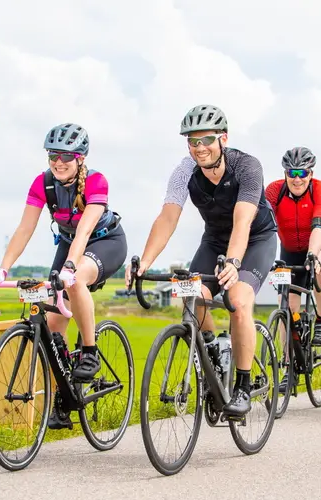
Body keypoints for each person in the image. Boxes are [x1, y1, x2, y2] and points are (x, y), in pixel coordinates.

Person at [125, 104, 278, 418]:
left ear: (223, 137)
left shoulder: (247, 167)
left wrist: (234, 263)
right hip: (214, 240)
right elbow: (168, 217)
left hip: (254, 238)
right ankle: (213, 351)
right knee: (190, 295)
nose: (200, 148)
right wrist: (144, 262)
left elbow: (243, 220)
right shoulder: (184, 171)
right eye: (192, 142)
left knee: (237, 299)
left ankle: (243, 386)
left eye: (206, 139)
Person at [0, 123, 127, 429]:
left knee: (74, 284)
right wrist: (3, 269)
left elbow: (86, 229)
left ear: (80, 158)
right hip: (67, 244)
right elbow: (25, 229)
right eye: (53, 155)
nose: (58, 161)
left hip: (104, 242)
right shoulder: (43, 183)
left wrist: (70, 269)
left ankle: (89, 352)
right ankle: (66, 395)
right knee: (53, 325)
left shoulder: (96, 181)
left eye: (66, 155)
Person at [265, 146, 321, 394]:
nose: (297, 178)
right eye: (291, 172)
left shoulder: (320, 189)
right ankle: (289, 368)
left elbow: (319, 227)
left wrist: (313, 255)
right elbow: (263, 225)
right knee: (286, 307)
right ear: (285, 173)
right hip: (289, 250)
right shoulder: (274, 191)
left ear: (311, 173)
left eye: (303, 173)